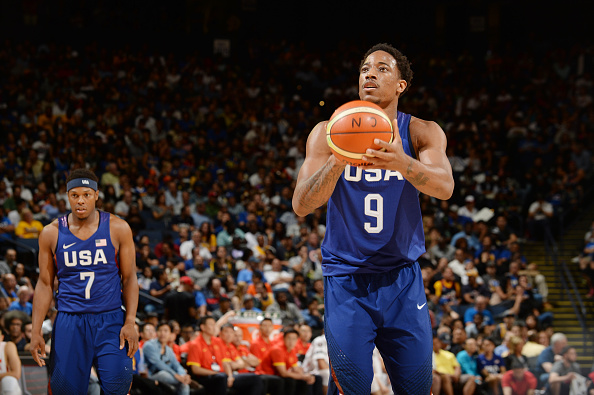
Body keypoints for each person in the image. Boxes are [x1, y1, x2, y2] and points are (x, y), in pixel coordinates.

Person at [292, 43, 454, 395]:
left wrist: (402, 163)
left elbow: (444, 187)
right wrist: (337, 159)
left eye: (382, 68)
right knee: (352, 388)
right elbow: (302, 204)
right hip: (347, 281)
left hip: (402, 281)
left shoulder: (420, 132)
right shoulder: (326, 132)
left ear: (400, 85)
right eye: (365, 68)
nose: (370, 73)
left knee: (416, 389)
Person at [30, 168, 139, 394]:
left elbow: (129, 279)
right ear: (67, 196)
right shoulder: (51, 233)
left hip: (110, 321)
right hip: (70, 321)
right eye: (75, 195)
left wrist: (130, 321)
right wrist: (36, 330)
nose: (81, 201)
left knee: (118, 389)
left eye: (87, 194)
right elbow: (44, 284)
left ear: (96, 195)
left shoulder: (118, 228)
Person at [142, 321, 191, 395]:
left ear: (170, 334)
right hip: (151, 376)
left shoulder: (169, 350)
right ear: (156, 332)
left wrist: (183, 375)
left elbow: (176, 365)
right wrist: (176, 375)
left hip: (169, 376)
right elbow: (159, 364)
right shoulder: (149, 345)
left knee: (185, 385)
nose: (162, 333)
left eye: (165, 331)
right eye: (160, 330)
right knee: (164, 374)